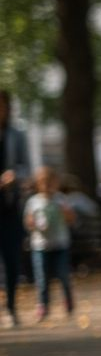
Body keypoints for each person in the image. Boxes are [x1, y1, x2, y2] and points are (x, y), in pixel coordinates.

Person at [24, 166, 76, 322]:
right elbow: (28, 222)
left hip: (60, 244)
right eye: (43, 182)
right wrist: (33, 223)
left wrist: (65, 212)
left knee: (63, 274)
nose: (46, 186)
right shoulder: (33, 202)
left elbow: (71, 219)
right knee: (42, 277)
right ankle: (43, 305)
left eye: (49, 182)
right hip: (40, 244)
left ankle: (68, 301)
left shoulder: (61, 199)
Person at [0, 90, 30, 327]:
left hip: (9, 207)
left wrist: (14, 176)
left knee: (11, 259)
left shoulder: (17, 135)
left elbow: (26, 168)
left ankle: (10, 306)